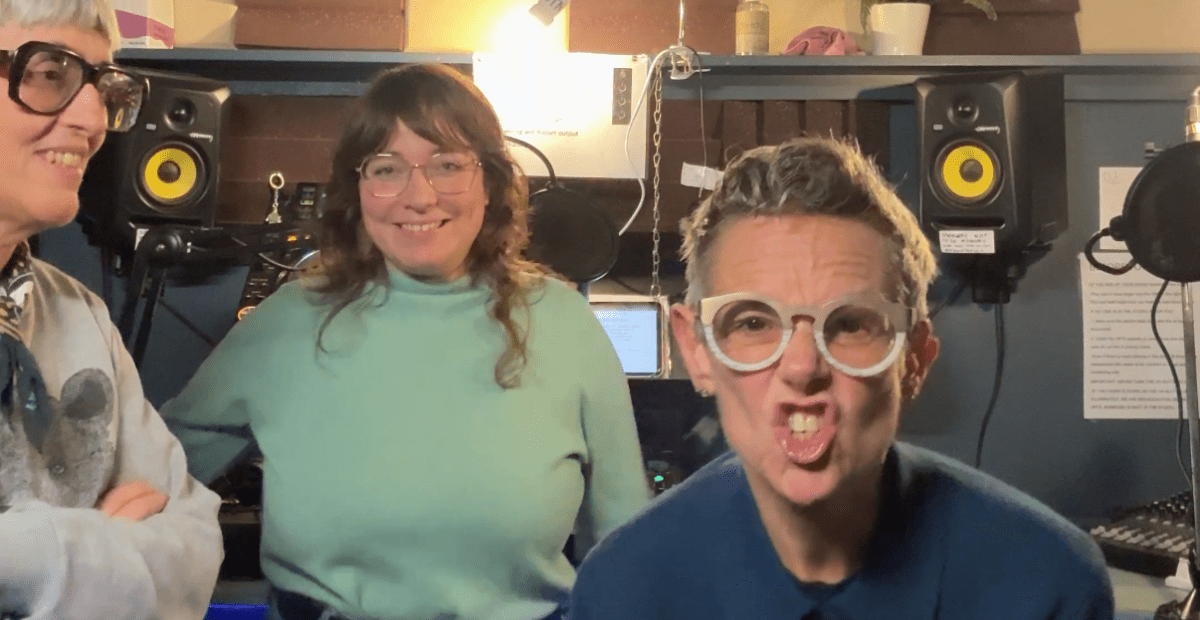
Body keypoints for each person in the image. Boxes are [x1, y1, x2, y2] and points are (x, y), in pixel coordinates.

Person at [160, 63, 649, 620]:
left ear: (490, 183)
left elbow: (630, 556)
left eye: (448, 165)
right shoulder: (287, 325)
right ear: (357, 188)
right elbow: (151, 478)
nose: (419, 196)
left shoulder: (564, 324)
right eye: (387, 169)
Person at [570, 137, 1115, 619]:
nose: (802, 367)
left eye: (851, 324)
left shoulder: (1046, 583)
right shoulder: (625, 589)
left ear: (915, 359)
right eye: (754, 323)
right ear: (697, 352)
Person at [0, 0, 223, 618]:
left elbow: (193, 546)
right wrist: (80, 550)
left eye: (103, 88)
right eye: (49, 74)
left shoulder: (80, 315)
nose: (94, 119)